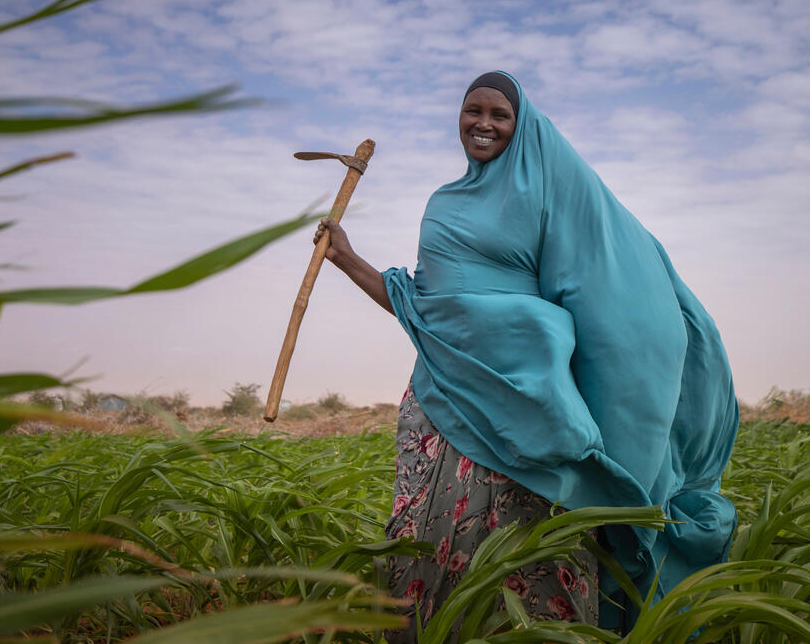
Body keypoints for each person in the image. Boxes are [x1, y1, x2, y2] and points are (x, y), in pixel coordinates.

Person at [314, 71, 739, 636]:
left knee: (530, 545)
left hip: (524, 404)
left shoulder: (550, 197)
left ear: (522, 126)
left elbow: (603, 290)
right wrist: (346, 259)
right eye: (473, 111)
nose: (483, 123)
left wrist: (528, 327)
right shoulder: (443, 203)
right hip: (442, 397)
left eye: (499, 114)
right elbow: (427, 307)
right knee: (429, 532)